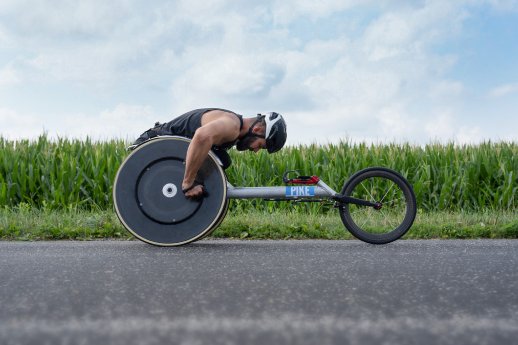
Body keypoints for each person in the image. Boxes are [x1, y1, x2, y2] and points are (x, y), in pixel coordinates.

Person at [132, 108, 287, 199]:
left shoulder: (234, 129)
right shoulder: (231, 125)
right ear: (258, 129)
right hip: (153, 146)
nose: (255, 150)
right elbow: (202, 136)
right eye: (260, 145)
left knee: (222, 160)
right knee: (218, 160)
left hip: (169, 149)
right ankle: (187, 184)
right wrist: (188, 183)